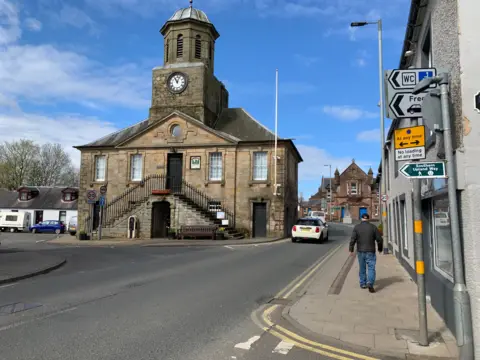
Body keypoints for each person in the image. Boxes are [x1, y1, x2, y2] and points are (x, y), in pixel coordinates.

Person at [349, 213, 383, 293]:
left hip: (360, 251)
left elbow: (353, 239)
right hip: (371, 251)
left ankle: (363, 283)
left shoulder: (357, 227)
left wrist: (351, 249)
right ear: (368, 219)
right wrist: (380, 249)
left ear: (361, 219)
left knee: (362, 268)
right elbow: (379, 239)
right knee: (371, 268)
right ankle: (370, 283)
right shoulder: (373, 227)